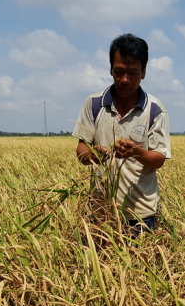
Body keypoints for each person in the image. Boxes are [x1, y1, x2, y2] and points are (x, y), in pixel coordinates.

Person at [72, 33, 171, 232]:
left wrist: (137, 152)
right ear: (110, 70)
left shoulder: (154, 110)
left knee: (140, 262)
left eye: (133, 73)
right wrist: (94, 156)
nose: (125, 80)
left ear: (144, 72)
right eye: (119, 72)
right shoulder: (94, 104)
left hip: (140, 214)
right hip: (101, 211)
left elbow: (159, 159)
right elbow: (81, 149)